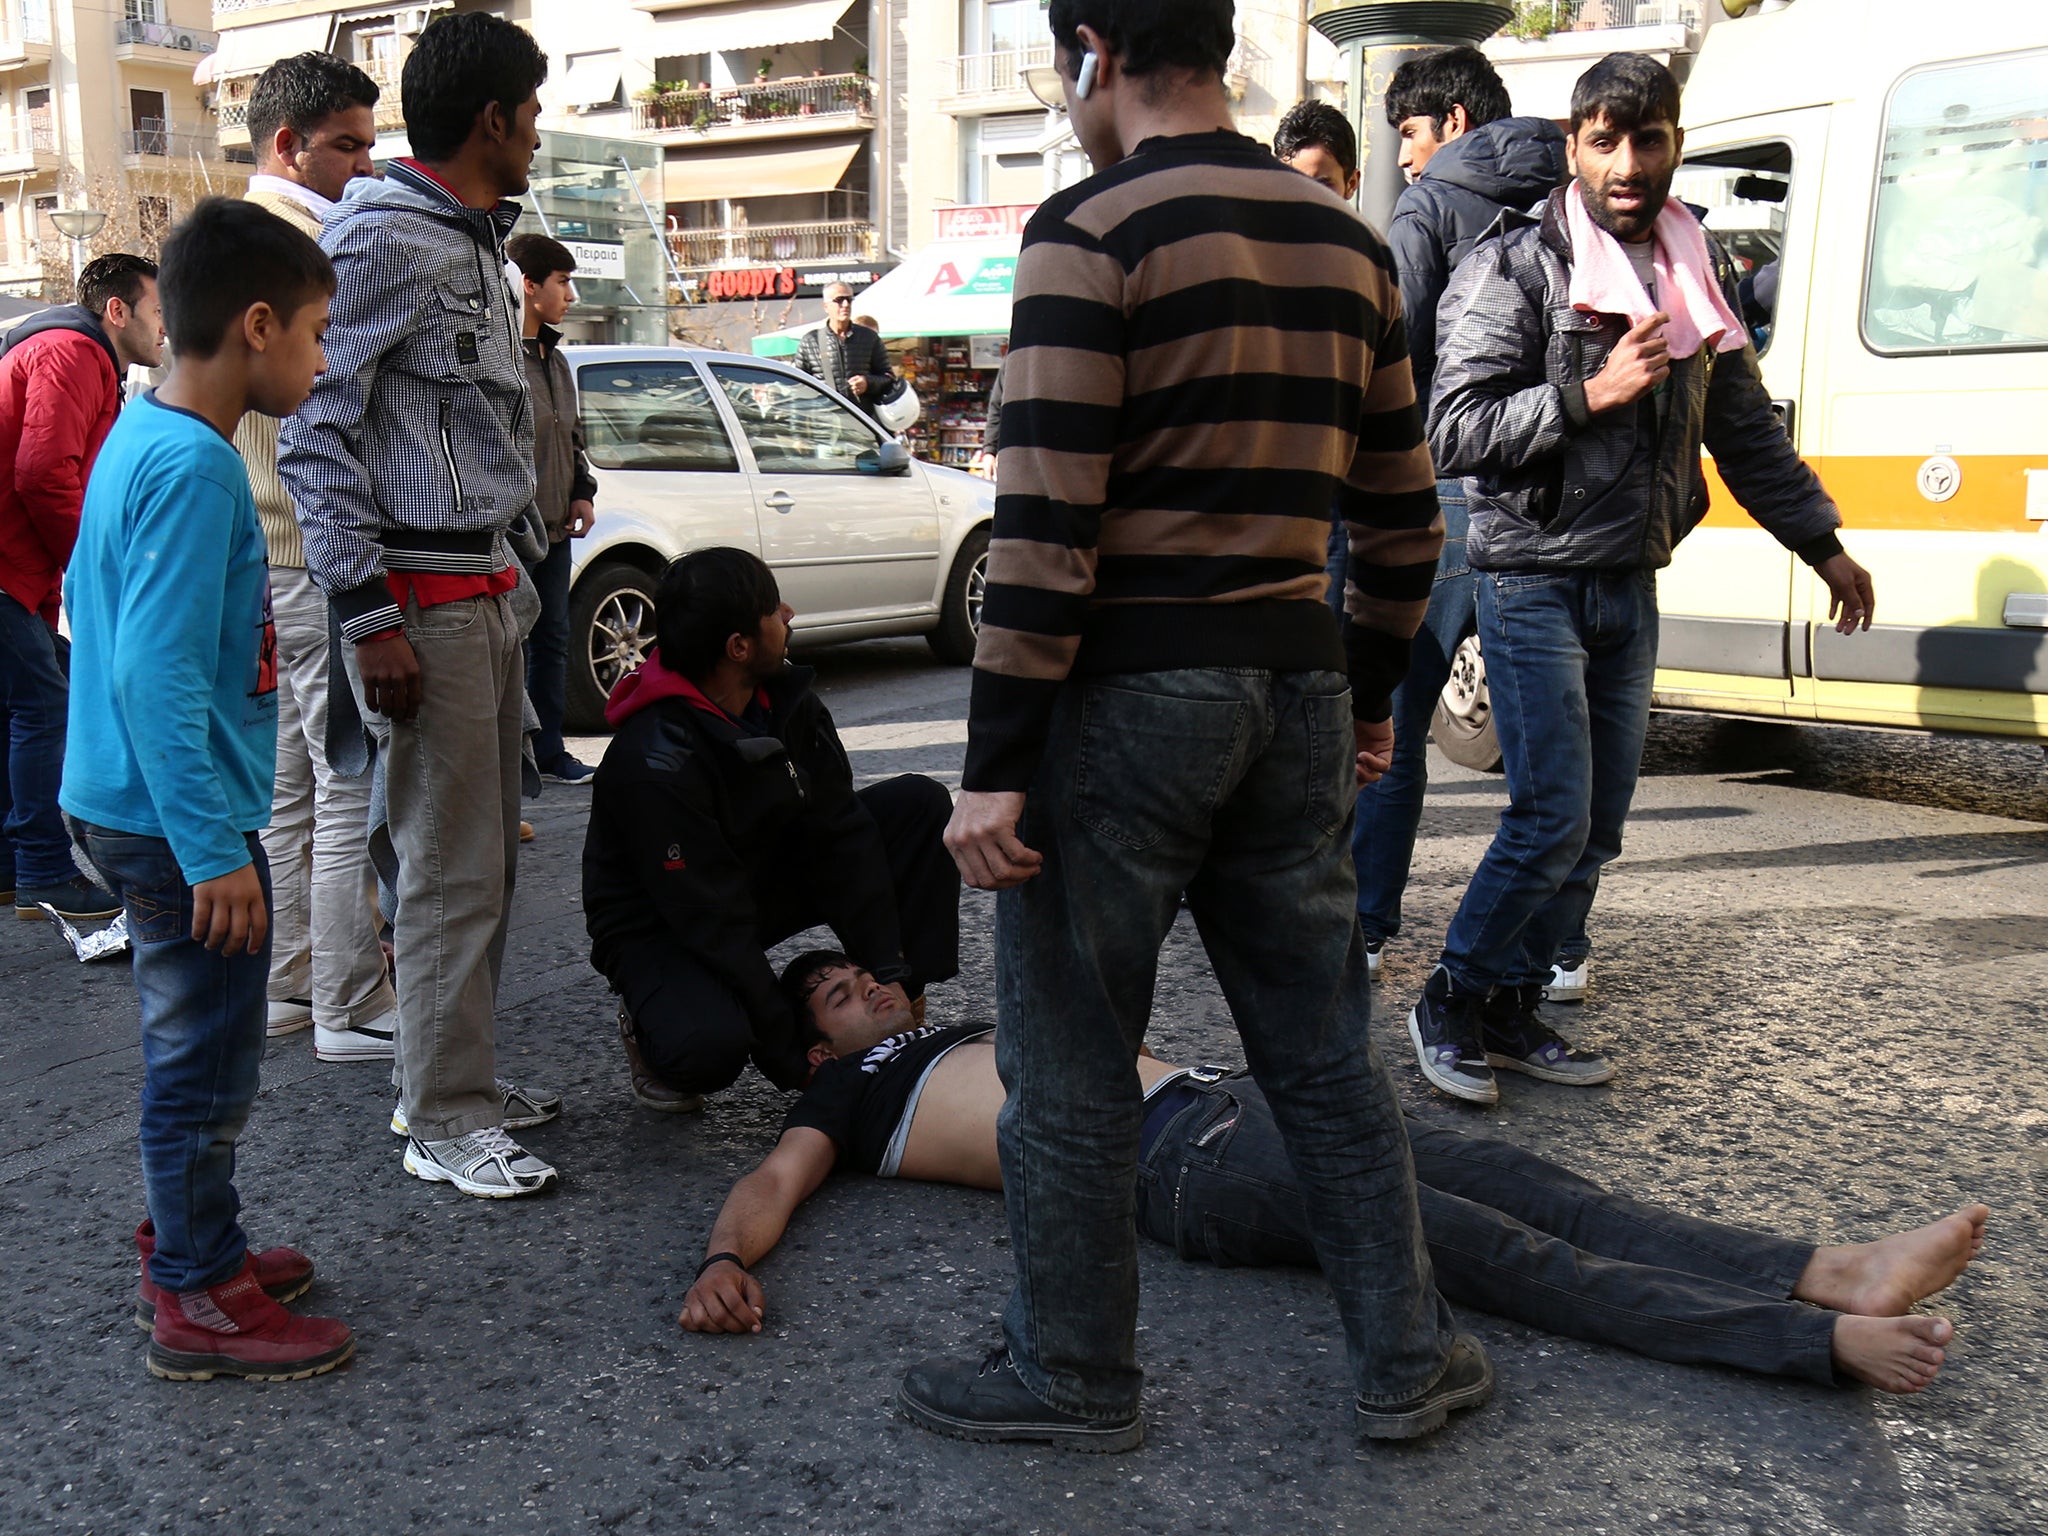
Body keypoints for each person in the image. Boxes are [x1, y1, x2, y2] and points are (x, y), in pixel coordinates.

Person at [929, 0, 1477, 1454]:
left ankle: (1073, 1377)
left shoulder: (1087, 232)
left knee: (1068, 1057)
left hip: (1126, 699)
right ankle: (1405, 1357)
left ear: (1095, 50)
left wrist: (993, 772)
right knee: (1322, 1051)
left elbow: (1044, 528)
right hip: (1292, 683)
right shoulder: (1346, 240)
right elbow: (1406, 525)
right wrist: (1364, 697)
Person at [684, 953, 1977, 1400]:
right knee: (1492, 1250)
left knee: (1537, 1189)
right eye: (836, 997)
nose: (865, 991)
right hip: (1182, 1163)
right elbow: (776, 1183)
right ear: (814, 1045)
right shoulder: (846, 1093)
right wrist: (726, 1260)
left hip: (1227, 1107)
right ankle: (1808, 1347)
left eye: (868, 974)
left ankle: (1831, 1272)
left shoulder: (961, 1020)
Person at [1410, 53, 1876, 1108]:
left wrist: (1822, 546)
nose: (1627, 163)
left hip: (1630, 578)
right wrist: (1590, 390)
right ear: (1573, 147)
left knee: (1598, 822)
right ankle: (1449, 994)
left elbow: (1741, 427)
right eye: (1604, 141)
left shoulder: (1686, 262)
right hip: (1529, 578)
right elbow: (1453, 429)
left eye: (1648, 138)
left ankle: (1512, 1007)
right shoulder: (1517, 266)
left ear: (1671, 143)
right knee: (1550, 815)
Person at [61, 197, 354, 1380]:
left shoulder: (145, 434)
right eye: (317, 333)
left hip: (129, 802)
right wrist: (214, 851)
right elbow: (153, 671)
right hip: (174, 822)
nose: (323, 358)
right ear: (254, 324)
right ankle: (196, 1290)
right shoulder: (195, 469)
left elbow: (110, 629)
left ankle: (196, 1235)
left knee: (195, 1047)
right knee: (207, 1059)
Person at [279, 11, 563, 1199]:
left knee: (476, 862)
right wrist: (366, 610)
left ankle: (460, 1080)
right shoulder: (377, 238)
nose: (539, 134)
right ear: (492, 119)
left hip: (481, 587)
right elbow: (313, 427)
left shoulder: (466, 239)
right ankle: (441, 1114)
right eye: (534, 112)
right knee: (446, 866)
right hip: (425, 597)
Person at [582, 546, 958, 1110]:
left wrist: (890, 973)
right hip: (667, 920)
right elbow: (713, 919)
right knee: (707, 1048)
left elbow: (843, 833)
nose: (787, 613)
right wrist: (795, 1063)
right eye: (770, 608)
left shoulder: (787, 700)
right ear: (738, 647)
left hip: (751, 872)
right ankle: (649, 1025)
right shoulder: (655, 762)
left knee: (917, 805)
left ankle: (900, 1015)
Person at [1368, 51, 1577, 993]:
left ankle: (1368, 927)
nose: (1406, 159)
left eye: (1408, 135)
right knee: (1552, 747)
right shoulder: (1574, 189)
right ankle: (1556, 950)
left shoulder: (1431, 202)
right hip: (1553, 490)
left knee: (1393, 717)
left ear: (1451, 122)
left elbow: (1397, 348)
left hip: (1444, 482)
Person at [235, 51, 397, 1063]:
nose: (365, 169)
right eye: (348, 145)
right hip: (310, 545)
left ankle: (294, 984)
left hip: (263, 546)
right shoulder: (307, 246)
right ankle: (349, 999)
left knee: (293, 785)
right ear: (289, 144)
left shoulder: (227, 237)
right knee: (345, 781)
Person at [0, 253, 163, 922]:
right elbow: (42, 473)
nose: (165, 328)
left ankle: (16, 868)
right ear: (116, 311)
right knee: (43, 707)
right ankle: (40, 869)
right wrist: (94, 566)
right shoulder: (72, 352)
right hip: (9, 564)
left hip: (19, 569)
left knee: (23, 707)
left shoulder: (70, 351)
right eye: (157, 312)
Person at [505, 232, 599, 787]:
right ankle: (510, 761)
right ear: (528, 285)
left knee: (553, 641)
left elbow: (572, 437)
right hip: (515, 534)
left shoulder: (555, 360)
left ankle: (549, 751)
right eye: (563, 282)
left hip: (558, 530)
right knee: (508, 647)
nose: (572, 295)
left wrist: (582, 489)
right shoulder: (501, 361)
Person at [795, 283, 891, 415]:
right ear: (826, 306)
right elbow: (798, 387)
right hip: (825, 424)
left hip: (863, 423)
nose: (846, 304)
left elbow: (888, 377)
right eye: (839, 300)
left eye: (849, 299)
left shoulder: (869, 337)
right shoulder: (810, 341)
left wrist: (868, 383)